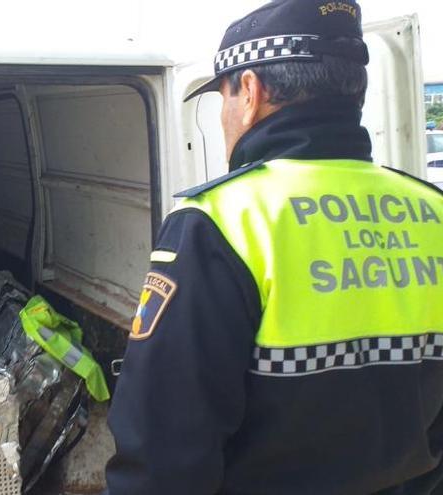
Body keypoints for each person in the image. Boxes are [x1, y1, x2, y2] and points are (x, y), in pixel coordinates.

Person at [104, 0, 443, 493]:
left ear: (249, 90)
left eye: (221, 98)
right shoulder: (432, 211)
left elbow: (165, 447)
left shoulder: (220, 222)